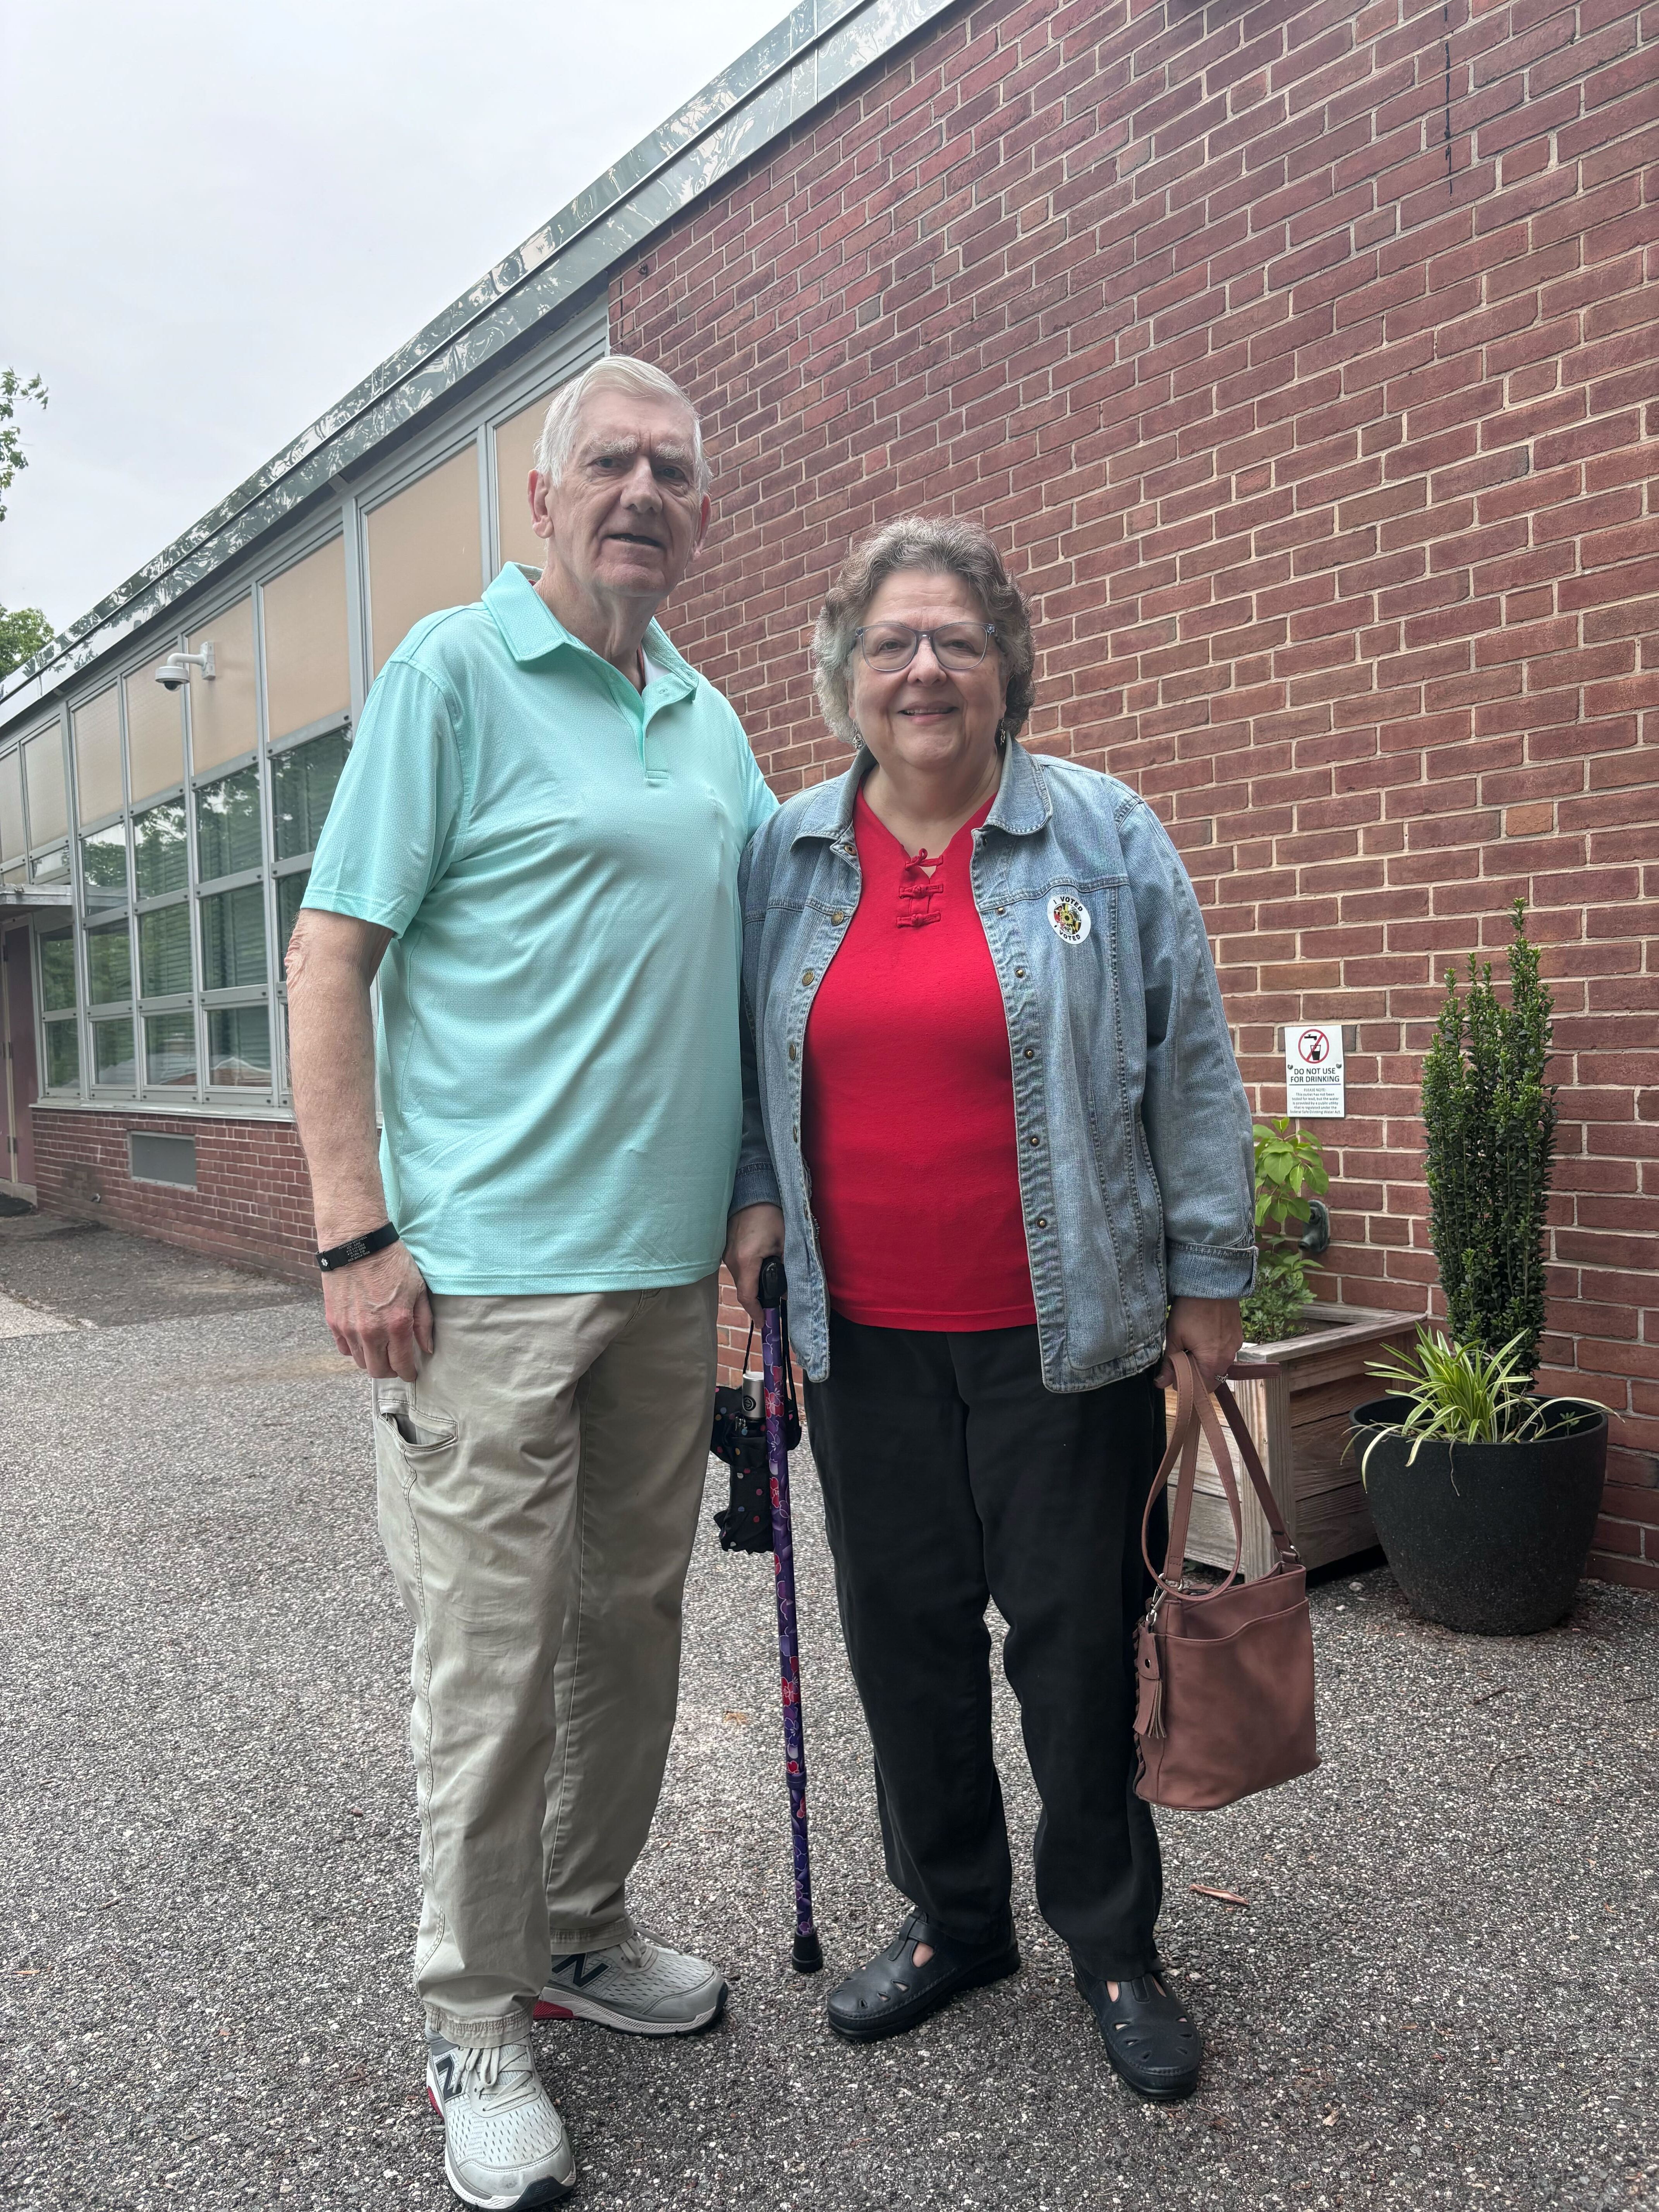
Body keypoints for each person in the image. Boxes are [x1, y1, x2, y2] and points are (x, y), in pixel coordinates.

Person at [287, 356, 777, 2210]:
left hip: (662, 1284)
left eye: (674, 466)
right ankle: (473, 2017)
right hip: (477, 1284)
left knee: (629, 1626)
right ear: (543, 497)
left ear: (701, 512)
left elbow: (731, 996)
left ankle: (580, 1931)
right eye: (609, 464)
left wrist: (746, 1201)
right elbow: (328, 961)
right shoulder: (452, 676)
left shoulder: (713, 725)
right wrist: (354, 1229)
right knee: (487, 1664)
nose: (640, 490)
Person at [723, 515, 1255, 2103]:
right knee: (906, 1648)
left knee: (1075, 1647)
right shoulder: (787, 853)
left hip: (1064, 1335)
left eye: (957, 639)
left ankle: (1109, 1940)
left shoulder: (1103, 836)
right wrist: (752, 1241)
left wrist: (1210, 1281)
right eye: (893, 643)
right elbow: (755, 1082)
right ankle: (956, 1922)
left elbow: (1193, 1066)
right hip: (859, 1341)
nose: (927, 670)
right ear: (847, 675)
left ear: (1006, 665)